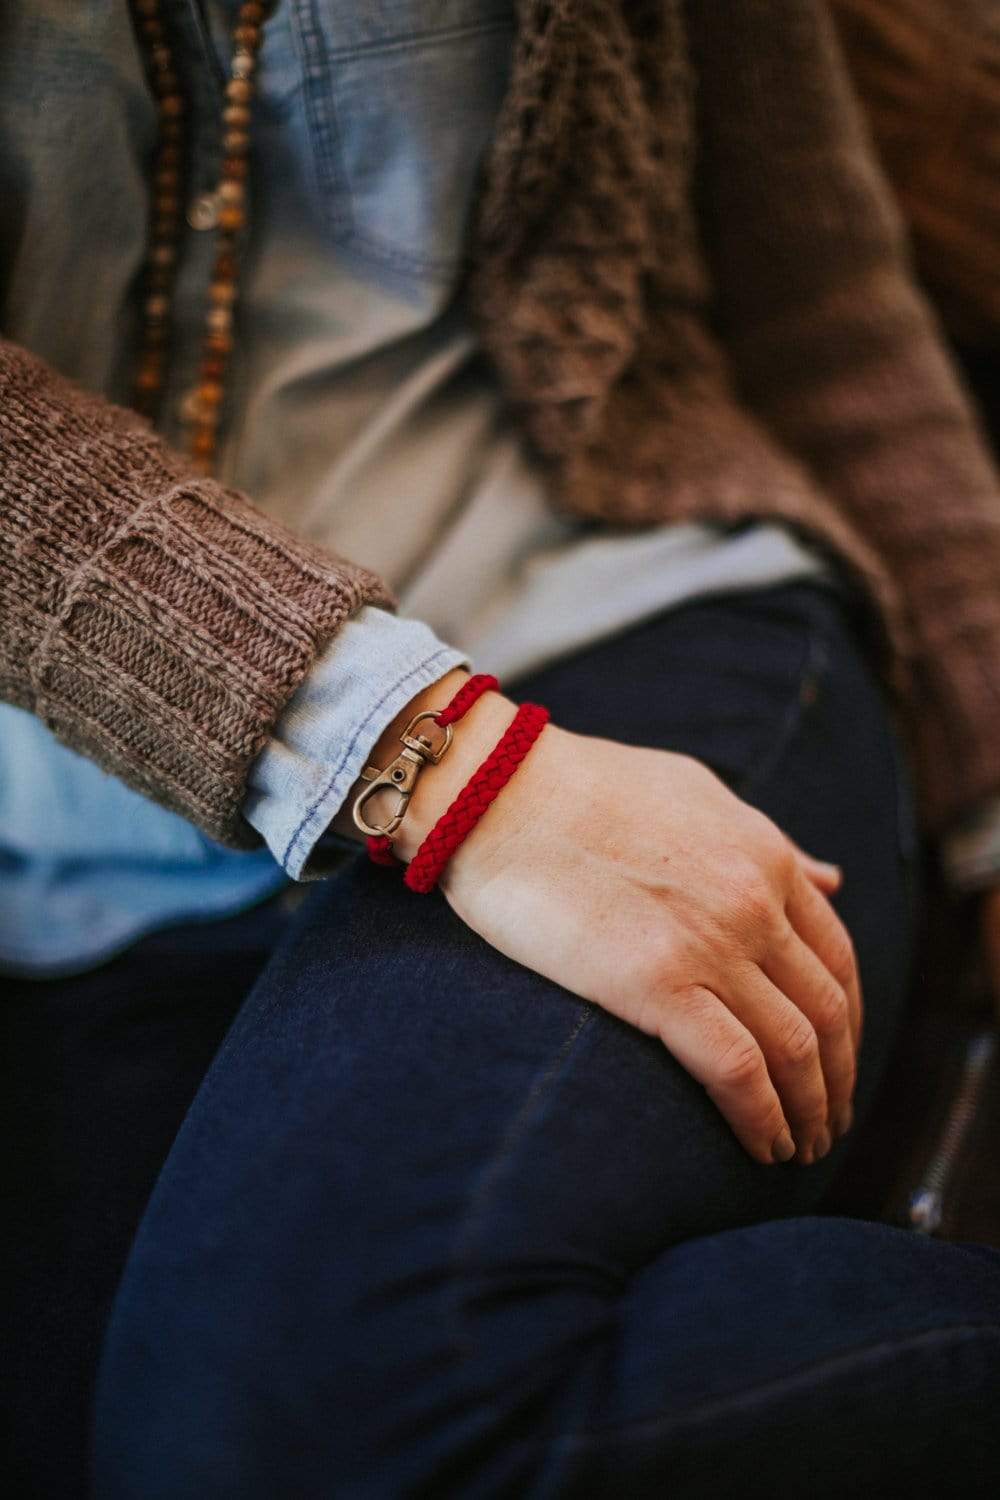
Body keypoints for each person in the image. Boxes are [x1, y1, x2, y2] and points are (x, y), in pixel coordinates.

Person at [2, 1, 1000, 1495]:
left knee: (302, 1437)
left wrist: (993, 807)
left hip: (615, 641)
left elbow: (820, 303)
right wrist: (412, 746)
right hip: (74, 841)